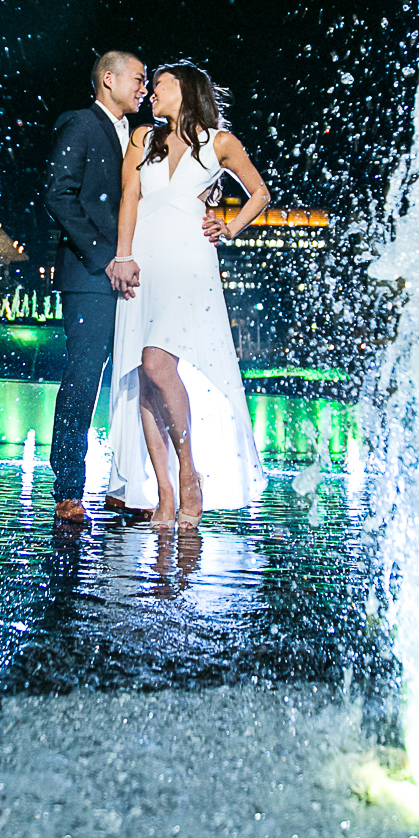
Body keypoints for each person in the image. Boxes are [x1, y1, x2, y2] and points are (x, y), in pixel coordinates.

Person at [106, 63, 270, 525]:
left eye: (157, 84)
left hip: (190, 261)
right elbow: (129, 198)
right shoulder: (144, 138)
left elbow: (260, 192)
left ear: (183, 89)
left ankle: (188, 474)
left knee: (159, 363)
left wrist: (231, 226)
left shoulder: (219, 143)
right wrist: (122, 256)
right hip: (143, 259)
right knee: (143, 374)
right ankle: (165, 494)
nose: (149, 91)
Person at [43, 50, 149, 522]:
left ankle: (125, 486)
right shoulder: (80, 124)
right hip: (90, 278)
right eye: (139, 79)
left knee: (134, 380)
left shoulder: (143, 137)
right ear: (109, 79)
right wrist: (107, 259)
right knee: (83, 380)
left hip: (134, 280)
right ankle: (68, 487)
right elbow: (58, 195)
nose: (144, 88)